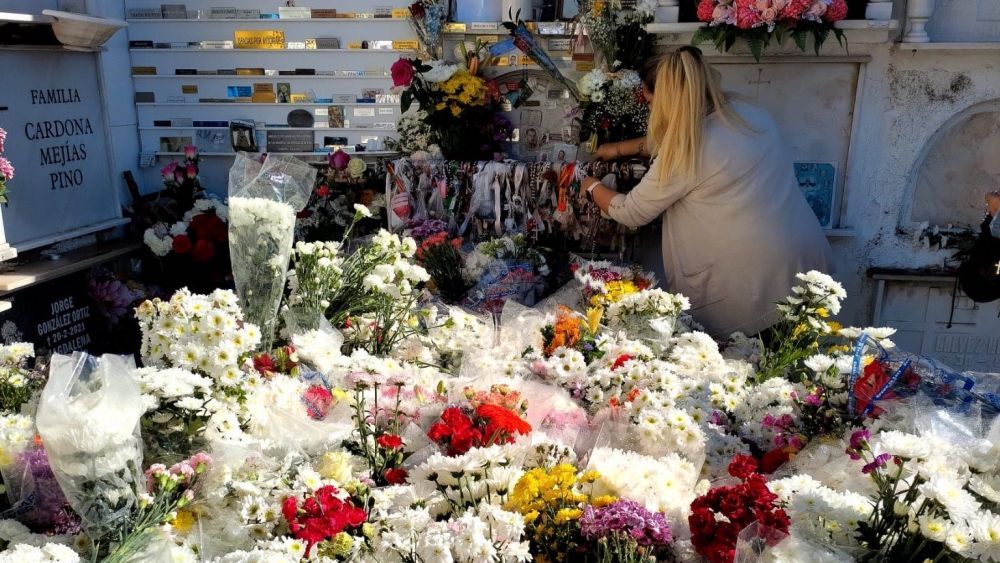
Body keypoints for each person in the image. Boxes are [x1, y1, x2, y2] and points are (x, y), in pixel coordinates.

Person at [583, 46, 833, 339]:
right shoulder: (751, 115)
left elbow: (632, 211)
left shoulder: (687, 152)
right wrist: (617, 149)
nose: (650, 110)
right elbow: (680, 134)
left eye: (650, 103)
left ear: (664, 101)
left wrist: (590, 186)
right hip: (804, 263)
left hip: (753, 284)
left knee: (756, 371)